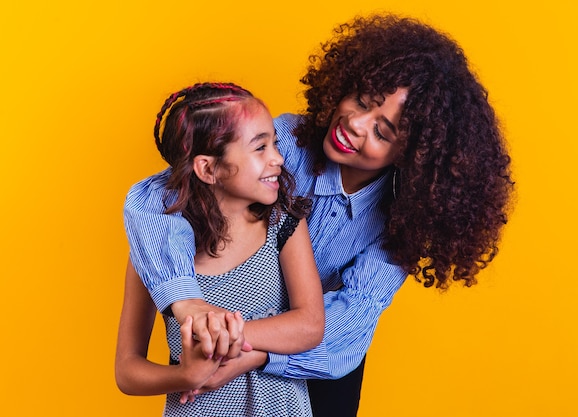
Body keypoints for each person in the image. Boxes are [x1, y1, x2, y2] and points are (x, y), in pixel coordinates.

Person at [123, 14, 515, 417]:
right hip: (215, 350)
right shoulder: (279, 146)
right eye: (361, 101)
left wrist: (244, 345)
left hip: (313, 366)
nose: (355, 125)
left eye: (383, 132)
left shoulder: (401, 225)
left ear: (415, 155)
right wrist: (187, 305)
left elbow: (348, 324)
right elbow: (155, 198)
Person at [115, 82, 325, 416]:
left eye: (274, 142)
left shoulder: (283, 224)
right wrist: (184, 375)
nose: (278, 158)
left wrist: (226, 335)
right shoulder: (155, 253)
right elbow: (127, 370)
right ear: (208, 168)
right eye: (260, 148)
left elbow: (310, 325)